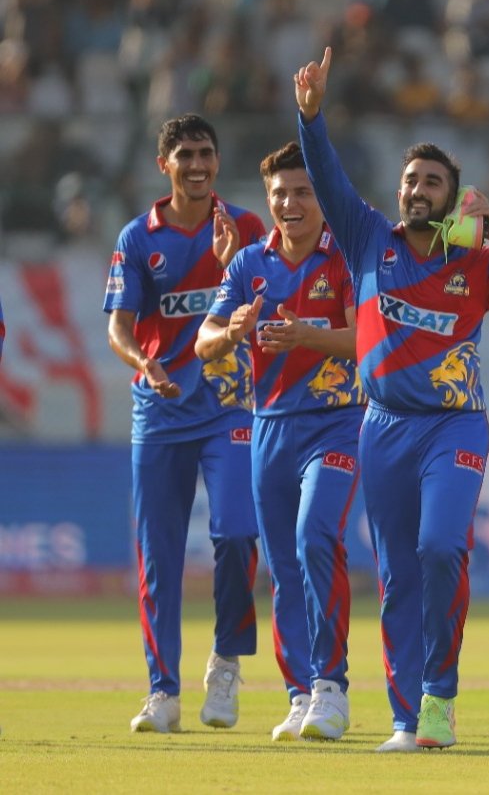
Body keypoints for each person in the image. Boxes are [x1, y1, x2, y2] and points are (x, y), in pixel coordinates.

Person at [293, 48, 489, 752]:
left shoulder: (478, 265)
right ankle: (407, 719)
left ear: (452, 198)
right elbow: (327, 177)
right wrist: (311, 117)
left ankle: (440, 699)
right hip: (382, 427)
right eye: (411, 180)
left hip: (454, 427)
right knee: (397, 578)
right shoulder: (367, 239)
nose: (418, 189)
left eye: (432, 182)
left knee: (442, 547)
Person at [195, 141, 365, 742]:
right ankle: (299, 694)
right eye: (279, 194)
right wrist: (231, 331)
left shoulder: (345, 256)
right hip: (269, 426)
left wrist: (305, 337)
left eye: (302, 192)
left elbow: (367, 341)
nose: (289, 204)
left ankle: (331, 688)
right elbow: (205, 341)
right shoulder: (248, 263)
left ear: (322, 196)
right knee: (284, 567)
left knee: (316, 535)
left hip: (336, 421)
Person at [103, 113, 266, 734]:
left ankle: (225, 663)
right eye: (185, 155)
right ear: (164, 165)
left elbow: (270, 303)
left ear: (217, 161)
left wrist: (232, 265)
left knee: (237, 534)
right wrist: (143, 361)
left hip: (230, 406)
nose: (197, 165)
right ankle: (162, 692)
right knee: (158, 558)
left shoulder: (246, 228)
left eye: (206, 153)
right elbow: (118, 326)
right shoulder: (137, 238)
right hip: (161, 411)